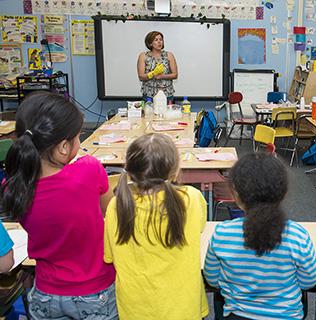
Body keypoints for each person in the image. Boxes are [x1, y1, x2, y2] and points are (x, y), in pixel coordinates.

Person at [1, 91, 117, 319]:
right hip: (95, 292)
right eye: (78, 137)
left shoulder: (14, 183)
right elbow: (112, 215)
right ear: (64, 147)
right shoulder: (89, 169)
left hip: (45, 293)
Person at [204, 152, 316, 320]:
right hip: (286, 316)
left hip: (237, 316)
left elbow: (213, 280)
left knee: (220, 297)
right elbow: (309, 281)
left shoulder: (222, 234)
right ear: (283, 192)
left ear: (235, 194)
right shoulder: (297, 236)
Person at [104, 133, 208, 320]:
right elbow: (200, 227)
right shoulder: (190, 199)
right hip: (183, 308)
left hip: (135, 310)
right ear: (174, 171)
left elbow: (109, 256)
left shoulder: (117, 205)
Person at [137, 31, 178, 101]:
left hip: (167, 95)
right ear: (150, 43)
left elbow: (175, 75)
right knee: (148, 112)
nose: (159, 42)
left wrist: (161, 76)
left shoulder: (169, 55)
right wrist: (153, 73)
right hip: (149, 95)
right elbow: (141, 77)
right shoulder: (143, 56)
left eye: (161, 39)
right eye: (156, 40)